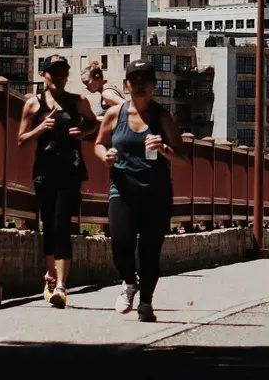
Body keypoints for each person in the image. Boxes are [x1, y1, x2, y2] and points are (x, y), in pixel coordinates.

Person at [94, 63, 177, 322]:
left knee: (150, 251)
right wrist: (105, 155)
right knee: (120, 244)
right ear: (127, 85)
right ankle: (130, 282)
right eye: (134, 80)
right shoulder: (114, 114)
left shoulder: (162, 117)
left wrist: (163, 147)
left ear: (153, 85)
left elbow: (184, 157)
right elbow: (99, 143)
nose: (140, 85)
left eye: (145, 80)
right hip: (122, 189)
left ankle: (146, 303)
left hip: (156, 193)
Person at [18, 55, 94, 308]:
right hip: (44, 170)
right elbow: (21, 139)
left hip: (70, 170)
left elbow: (94, 123)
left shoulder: (78, 101)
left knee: (63, 224)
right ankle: (50, 279)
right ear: (44, 75)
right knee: (48, 224)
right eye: (54, 72)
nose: (59, 77)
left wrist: (83, 131)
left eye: (63, 72)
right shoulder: (34, 104)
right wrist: (41, 128)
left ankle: (61, 284)